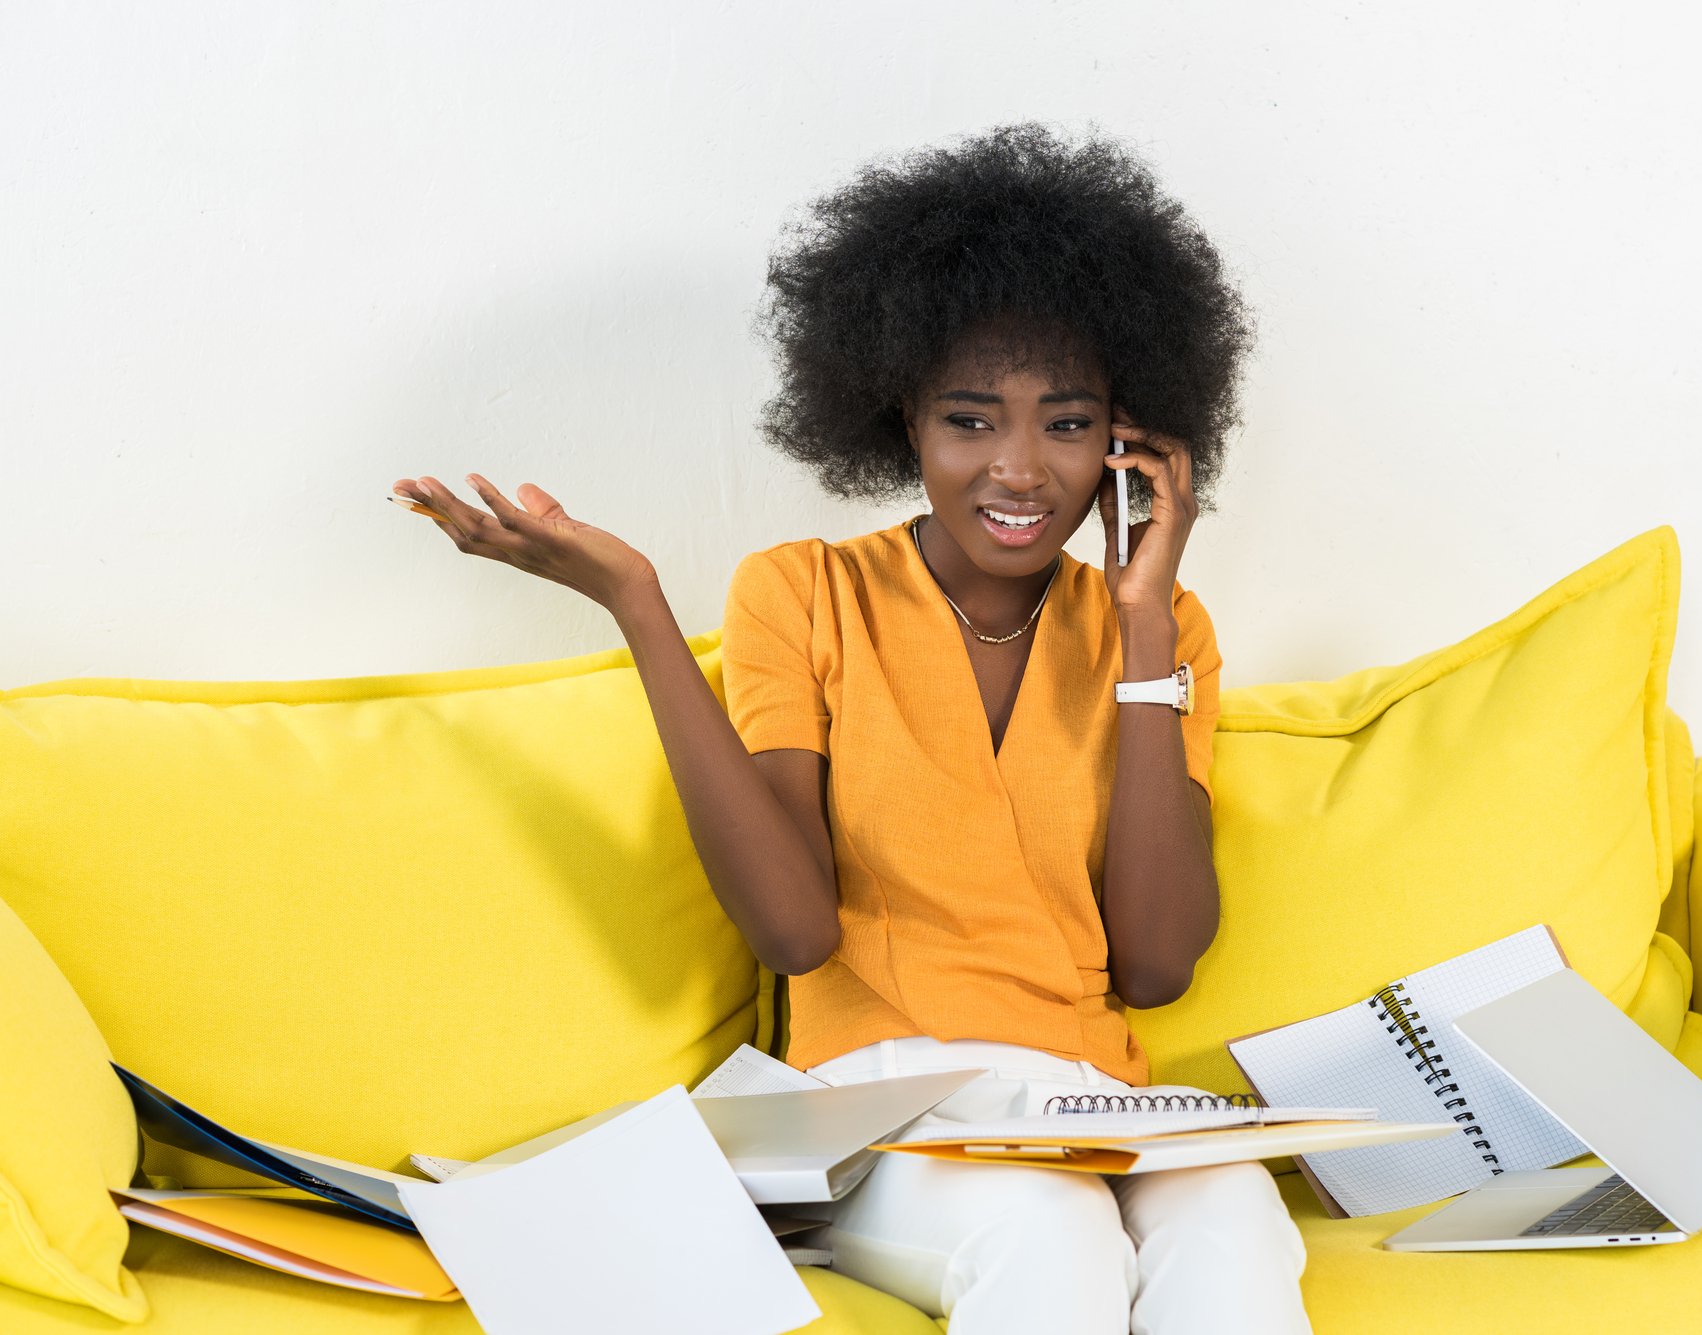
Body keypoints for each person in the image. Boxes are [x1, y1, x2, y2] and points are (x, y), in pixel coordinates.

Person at [390, 121, 1310, 1335]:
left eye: (1068, 424)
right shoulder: (801, 593)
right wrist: (637, 604)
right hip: (878, 1110)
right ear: (900, 421)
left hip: (1092, 1097)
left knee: (1240, 1215)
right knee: (1045, 1239)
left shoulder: (1163, 628)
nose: (1019, 471)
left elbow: (1155, 962)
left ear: (1131, 444)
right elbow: (790, 928)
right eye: (969, 421)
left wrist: (1142, 632)